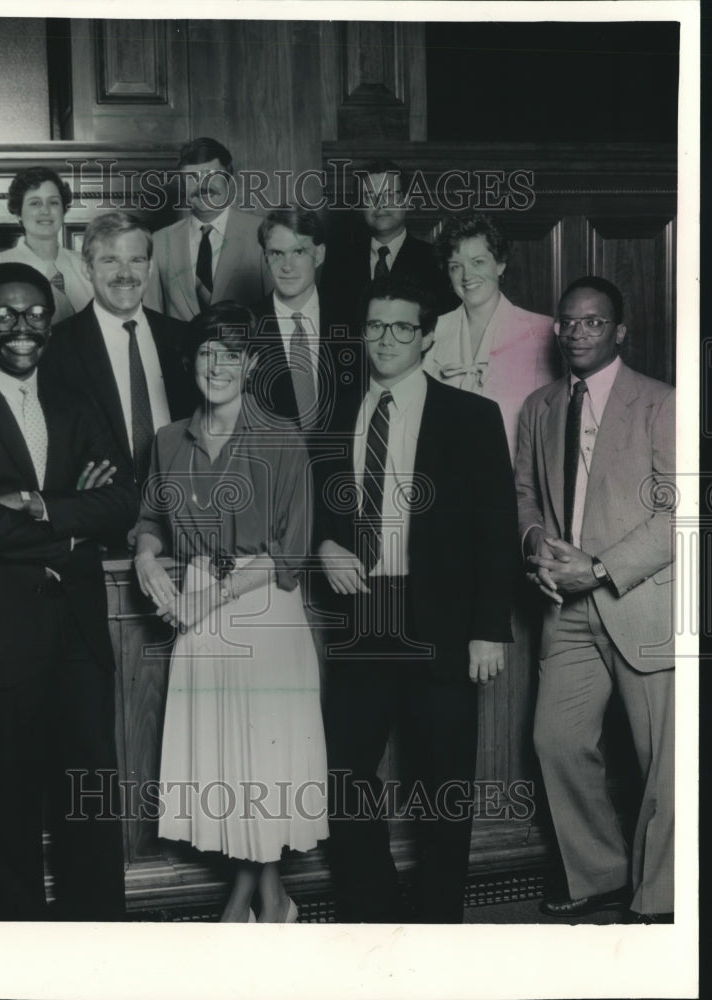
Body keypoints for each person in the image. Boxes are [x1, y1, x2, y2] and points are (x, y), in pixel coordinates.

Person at [0, 262, 138, 920]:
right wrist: (73, 531)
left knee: (90, 794)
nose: (22, 326)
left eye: (36, 313)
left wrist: (38, 505)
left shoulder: (78, 401)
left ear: (51, 323)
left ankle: (99, 947)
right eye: (5, 314)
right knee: (2, 802)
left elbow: (124, 501)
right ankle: (17, 955)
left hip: (77, 630)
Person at [314, 275, 517, 923]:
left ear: (428, 336)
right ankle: (371, 915)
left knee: (444, 783)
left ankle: (437, 925)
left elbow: (497, 528)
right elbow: (309, 505)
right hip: (363, 612)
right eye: (375, 326)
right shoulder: (333, 414)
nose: (386, 339)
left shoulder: (471, 416)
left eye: (402, 327)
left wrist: (489, 628)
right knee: (344, 773)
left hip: (442, 622)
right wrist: (323, 545)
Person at [131, 302, 328, 923]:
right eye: (206, 353)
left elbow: (291, 549)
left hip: (259, 608)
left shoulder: (282, 437)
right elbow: (149, 519)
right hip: (197, 609)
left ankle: (251, 900)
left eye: (231, 355)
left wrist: (205, 600)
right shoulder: (169, 440)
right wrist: (145, 557)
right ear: (191, 361)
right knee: (227, 765)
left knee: (262, 764)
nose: (217, 366)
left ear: (250, 365)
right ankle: (267, 898)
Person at [515, 276, 675, 924]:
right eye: (569, 321)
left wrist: (601, 567)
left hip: (642, 603)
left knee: (661, 761)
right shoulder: (540, 406)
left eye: (593, 322)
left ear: (619, 331)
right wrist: (536, 546)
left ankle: (660, 896)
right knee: (555, 740)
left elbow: (680, 512)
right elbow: (524, 495)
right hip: (567, 608)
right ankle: (603, 874)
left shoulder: (661, 403)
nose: (578, 332)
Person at [42, 211, 195, 496]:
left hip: (183, 503)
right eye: (110, 260)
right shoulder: (55, 348)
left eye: (136, 260)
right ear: (87, 268)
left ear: (150, 267)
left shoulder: (184, 338)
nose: (125, 273)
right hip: (100, 510)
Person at [423, 211, 560, 460]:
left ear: (499, 264)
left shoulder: (542, 333)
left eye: (478, 262)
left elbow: (552, 431)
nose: (467, 276)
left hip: (515, 477)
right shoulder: (431, 333)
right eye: (456, 266)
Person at [250, 207, 363, 434]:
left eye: (299, 252)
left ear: (319, 255)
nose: (287, 266)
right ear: (265, 257)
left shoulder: (353, 321)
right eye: (277, 253)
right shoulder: (247, 325)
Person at [321, 159, 457, 331]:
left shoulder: (435, 261)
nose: (380, 204)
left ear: (406, 201)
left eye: (389, 195)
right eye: (370, 196)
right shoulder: (338, 263)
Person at [144, 137, 271, 320]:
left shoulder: (263, 232)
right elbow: (152, 316)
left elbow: (275, 312)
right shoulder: (160, 241)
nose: (202, 186)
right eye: (192, 178)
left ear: (229, 179)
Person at [0, 166, 91, 326]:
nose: (45, 210)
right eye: (35, 203)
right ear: (19, 214)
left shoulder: (86, 265)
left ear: (63, 210)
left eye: (54, 202)